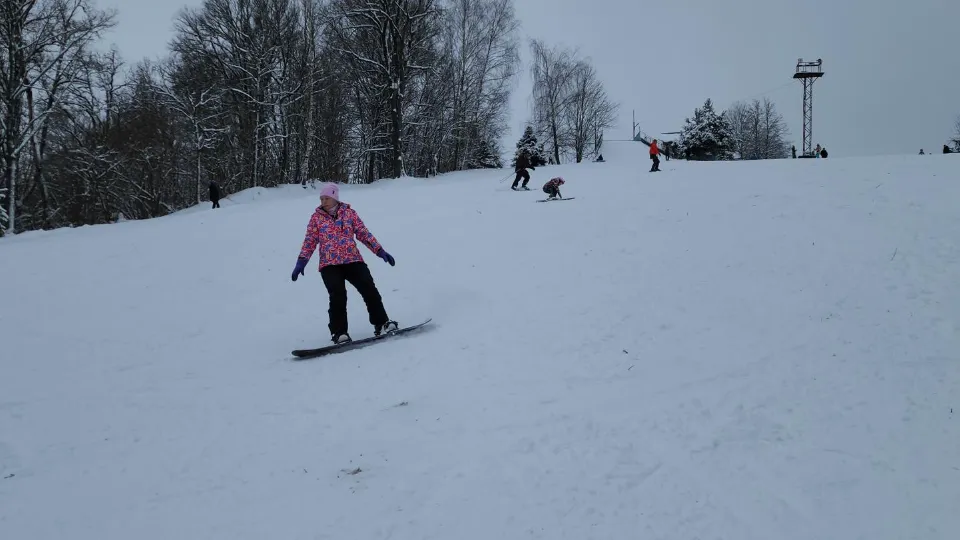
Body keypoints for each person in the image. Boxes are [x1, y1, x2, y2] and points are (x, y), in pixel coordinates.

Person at [291, 182, 398, 344]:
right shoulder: (316, 218)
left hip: (353, 260)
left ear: (335, 197)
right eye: (321, 199)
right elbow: (309, 241)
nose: (323, 202)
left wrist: (379, 251)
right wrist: (301, 262)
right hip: (329, 265)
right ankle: (339, 333)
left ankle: (381, 323)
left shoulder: (349, 214)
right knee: (338, 296)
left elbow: (363, 233)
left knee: (369, 289)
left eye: (326, 198)